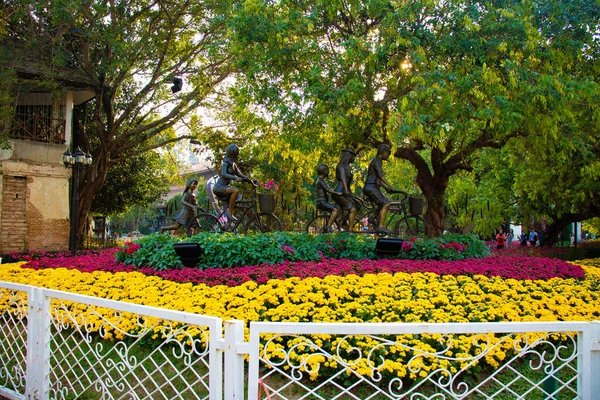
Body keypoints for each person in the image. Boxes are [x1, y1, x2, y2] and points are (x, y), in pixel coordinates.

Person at [362, 144, 399, 235]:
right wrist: (390, 186)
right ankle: (381, 226)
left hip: (372, 187)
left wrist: (387, 188)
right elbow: (381, 176)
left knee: (381, 204)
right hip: (371, 187)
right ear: (383, 152)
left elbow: (378, 179)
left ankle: (373, 218)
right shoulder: (377, 161)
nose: (388, 155)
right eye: (388, 153)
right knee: (386, 203)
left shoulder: (377, 161)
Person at [212, 144, 251, 221]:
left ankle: (228, 227)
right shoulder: (225, 163)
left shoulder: (233, 165)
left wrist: (248, 179)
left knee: (235, 206)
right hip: (219, 187)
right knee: (235, 190)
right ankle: (229, 212)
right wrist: (235, 178)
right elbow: (223, 173)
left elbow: (239, 174)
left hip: (226, 187)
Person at [331, 148, 357, 231]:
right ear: (349, 156)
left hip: (344, 191)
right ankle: (350, 231)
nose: (354, 158)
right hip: (340, 192)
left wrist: (350, 192)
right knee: (352, 209)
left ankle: (343, 221)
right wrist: (346, 189)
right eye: (353, 156)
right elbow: (343, 178)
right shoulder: (341, 166)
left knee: (357, 204)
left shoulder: (347, 167)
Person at [315, 164, 343, 232]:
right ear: (324, 171)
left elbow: (329, 189)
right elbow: (328, 190)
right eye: (327, 170)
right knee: (335, 210)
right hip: (322, 202)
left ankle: (334, 221)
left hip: (322, 201)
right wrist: (338, 193)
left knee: (338, 209)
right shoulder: (320, 180)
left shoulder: (321, 180)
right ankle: (328, 226)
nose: (328, 172)